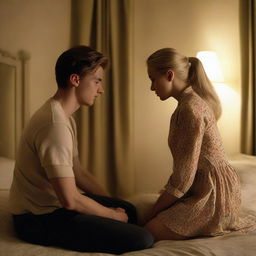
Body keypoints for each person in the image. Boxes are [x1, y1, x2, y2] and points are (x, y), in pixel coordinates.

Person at [8, 45, 154, 254]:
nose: (101, 89)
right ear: (75, 80)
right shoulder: (54, 125)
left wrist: (111, 206)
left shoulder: (64, 118)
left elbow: (78, 174)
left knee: (128, 210)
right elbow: (69, 199)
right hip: (37, 219)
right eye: (97, 81)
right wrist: (112, 216)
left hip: (55, 205)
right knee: (142, 239)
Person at [144, 47, 256, 241]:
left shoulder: (190, 109)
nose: (152, 87)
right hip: (207, 188)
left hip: (213, 197)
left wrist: (152, 212)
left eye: (153, 79)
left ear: (169, 75)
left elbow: (183, 179)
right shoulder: (189, 103)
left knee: (146, 231)